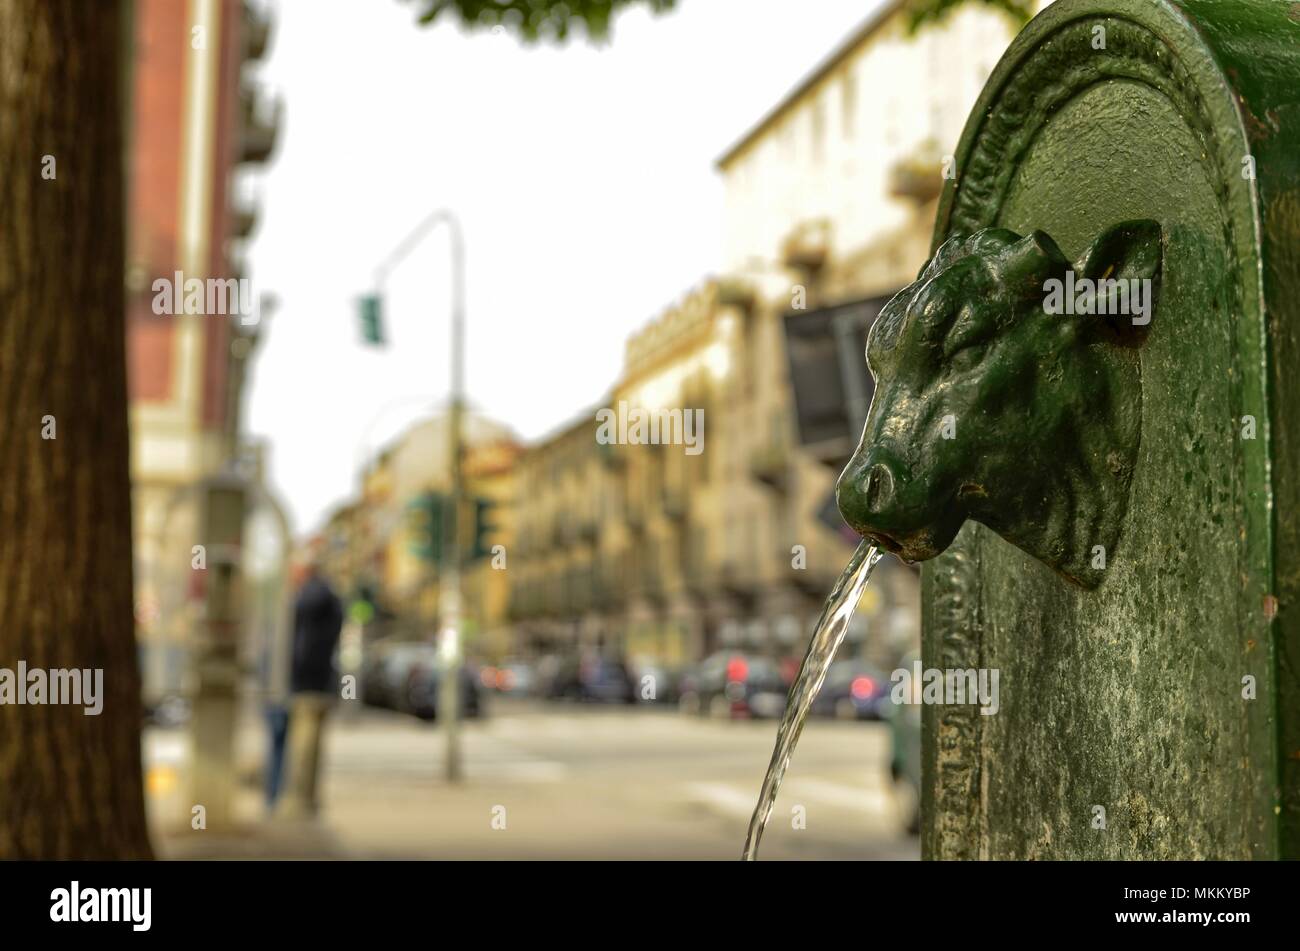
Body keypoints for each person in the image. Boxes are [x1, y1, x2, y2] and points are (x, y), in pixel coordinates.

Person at [278, 556, 344, 818]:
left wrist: (292, 676)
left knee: (303, 748)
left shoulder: (312, 596)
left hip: (307, 684)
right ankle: (307, 801)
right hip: (320, 683)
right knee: (311, 748)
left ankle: (298, 803)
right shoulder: (330, 597)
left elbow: (301, 645)